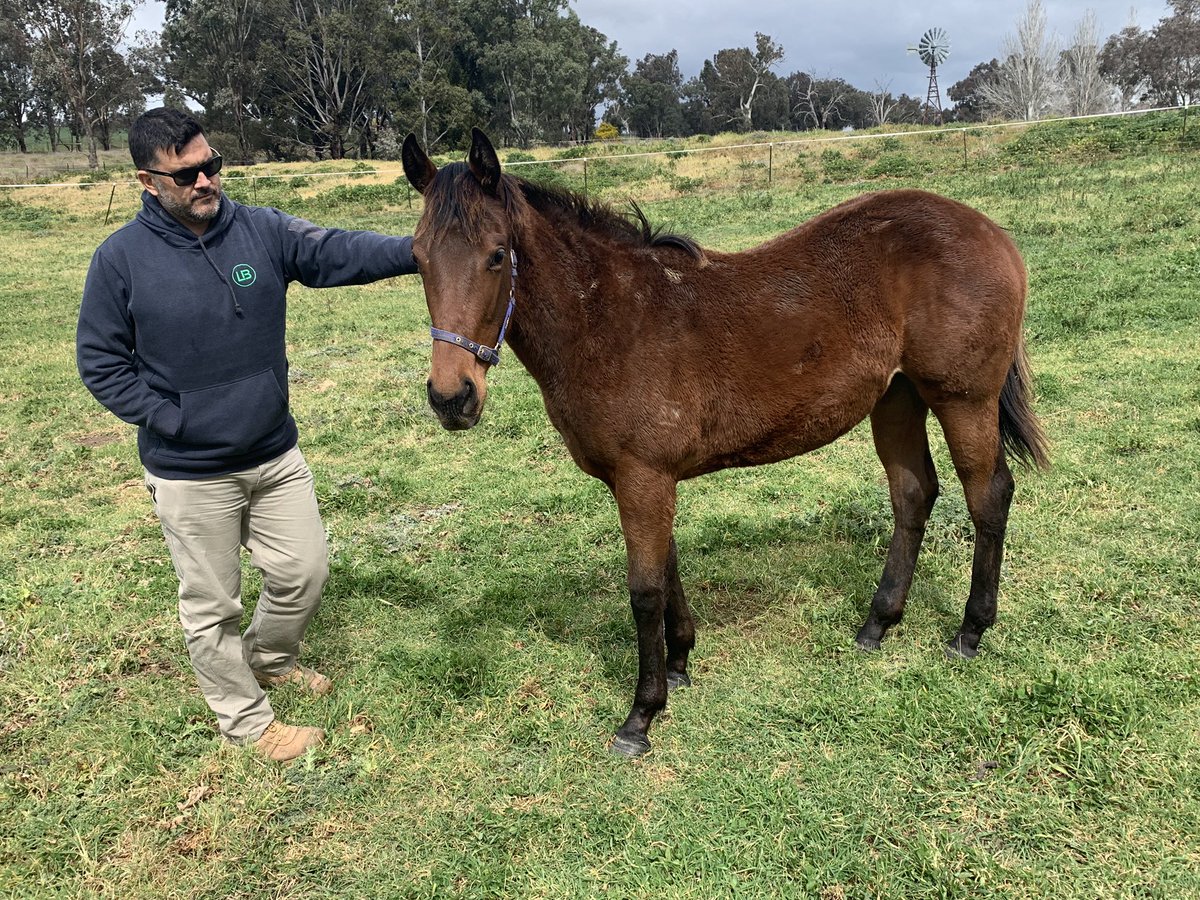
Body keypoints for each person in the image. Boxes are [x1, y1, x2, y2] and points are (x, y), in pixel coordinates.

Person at [77, 107, 418, 762]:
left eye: (212, 166)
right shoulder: (119, 261)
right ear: (149, 181)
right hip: (189, 470)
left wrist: (417, 251)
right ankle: (250, 725)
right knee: (212, 607)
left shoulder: (259, 230)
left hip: (272, 451)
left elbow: (333, 251)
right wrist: (175, 418)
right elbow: (100, 363)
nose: (206, 181)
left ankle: (270, 657)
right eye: (187, 175)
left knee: (305, 570)